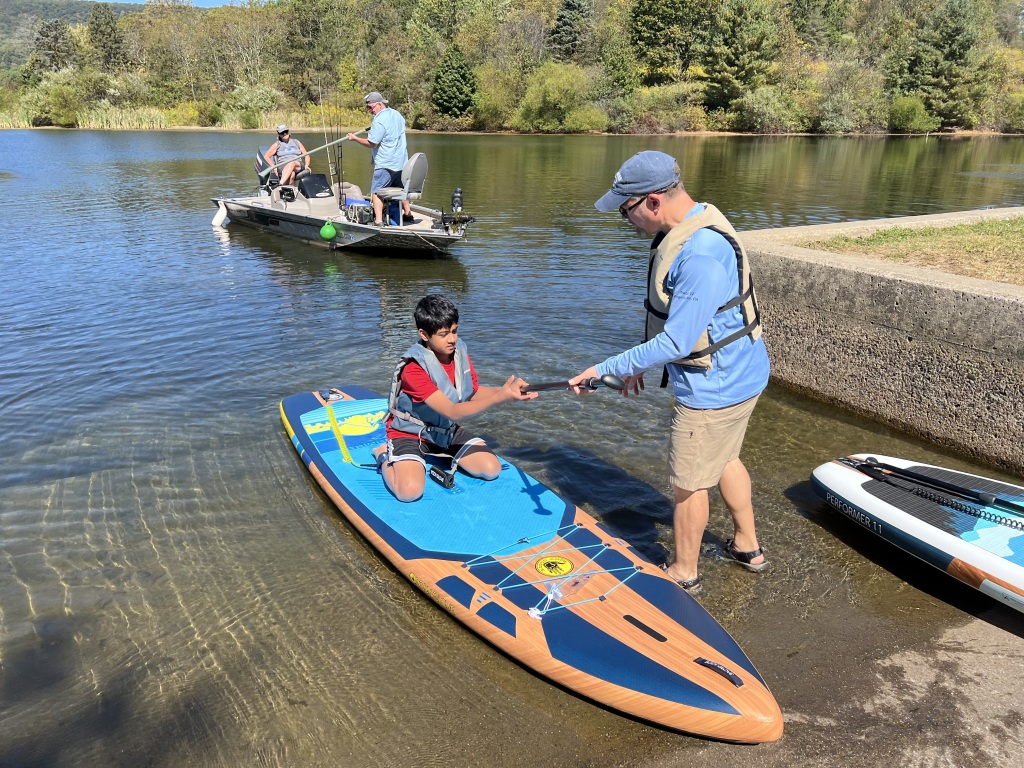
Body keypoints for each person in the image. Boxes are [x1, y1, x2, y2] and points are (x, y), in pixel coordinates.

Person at [568, 151, 770, 595]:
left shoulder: (699, 256)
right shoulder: (697, 222)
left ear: (654, 201)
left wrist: (604, 369)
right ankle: (747, 546)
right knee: (725, 457)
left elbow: (677, 343)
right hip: (745, 375)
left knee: (688, 484)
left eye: (626, 211)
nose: (627, 221)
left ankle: (683, 572)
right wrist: (637, 366)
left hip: (714, 390)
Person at [375, 294, 538, 502]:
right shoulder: (413, 369)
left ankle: (435, 455)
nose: (452, 339)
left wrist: (507, 391)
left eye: (454, 331)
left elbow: (471, 392)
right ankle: (382, 454)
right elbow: (451, 411)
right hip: (411, 433)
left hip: (445, 431)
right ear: (424, 334)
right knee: (409, 492)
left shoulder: (459, 354)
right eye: (443, 334)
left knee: (491, 469)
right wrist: (500, 398)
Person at [347, 91, 413, 226]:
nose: (369, 110)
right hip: (401, 163)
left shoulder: (379, 121)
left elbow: (372, 143)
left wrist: (355, 138)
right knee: (401, 190)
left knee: (377, 192)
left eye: (370, 107)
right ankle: (408, 214)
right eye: (367, 107)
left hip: (385, 164)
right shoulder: (396, 114)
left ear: (380, 104)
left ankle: (378, 221)